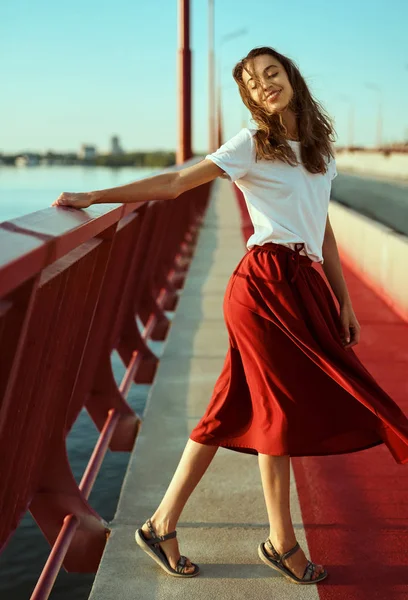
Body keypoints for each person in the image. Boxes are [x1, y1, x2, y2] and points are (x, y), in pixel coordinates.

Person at [52, 46, 408, 585]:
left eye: (273, 73)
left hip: (304, 284)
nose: (266, 84)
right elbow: (175, 185)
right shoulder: (251, 146)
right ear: (248, 96)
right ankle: (281, 542)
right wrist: (96, 195)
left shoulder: (317, 150)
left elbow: (323, 228)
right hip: (263, 287)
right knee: (277, 412)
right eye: (253, 82)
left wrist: (345, 300)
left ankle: (160, 524)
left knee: (231, 408)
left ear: (291, 76)